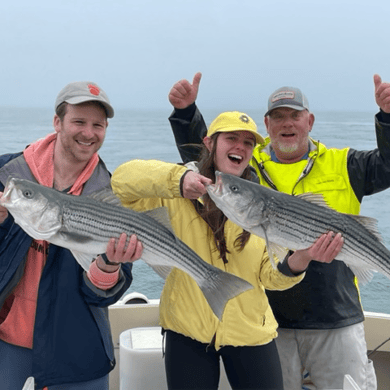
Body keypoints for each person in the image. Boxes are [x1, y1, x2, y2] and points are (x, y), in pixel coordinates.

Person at [166, 72, 390, 390]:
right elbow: (208, 165)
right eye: (278, 117)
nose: (287, 124)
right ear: (267, 125)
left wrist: (388, 117)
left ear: (309, 121)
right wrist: (187, 112)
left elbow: (388, 164)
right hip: (271, 321)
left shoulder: (346, 164)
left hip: (335, 318)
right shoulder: (246, 167)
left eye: (294, 116)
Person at [111, 111, 343, 390]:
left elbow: (271, 277)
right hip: (187, 329)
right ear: (210, 143)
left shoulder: (261, 202)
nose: (240, 147)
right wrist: (179, 179)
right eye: (231, 138)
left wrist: (303, 258)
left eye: (248, 143)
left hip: (251, 331)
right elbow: (121, 181)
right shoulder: (174, 192)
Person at [0, 81, 143, 390]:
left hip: (75, 346)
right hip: (5, 341)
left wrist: (107, 268)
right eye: (79, 121)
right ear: (57, 122)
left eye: (98, 125)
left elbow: (102, 294)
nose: (88, 133)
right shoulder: (9, 174)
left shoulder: (111, 193)